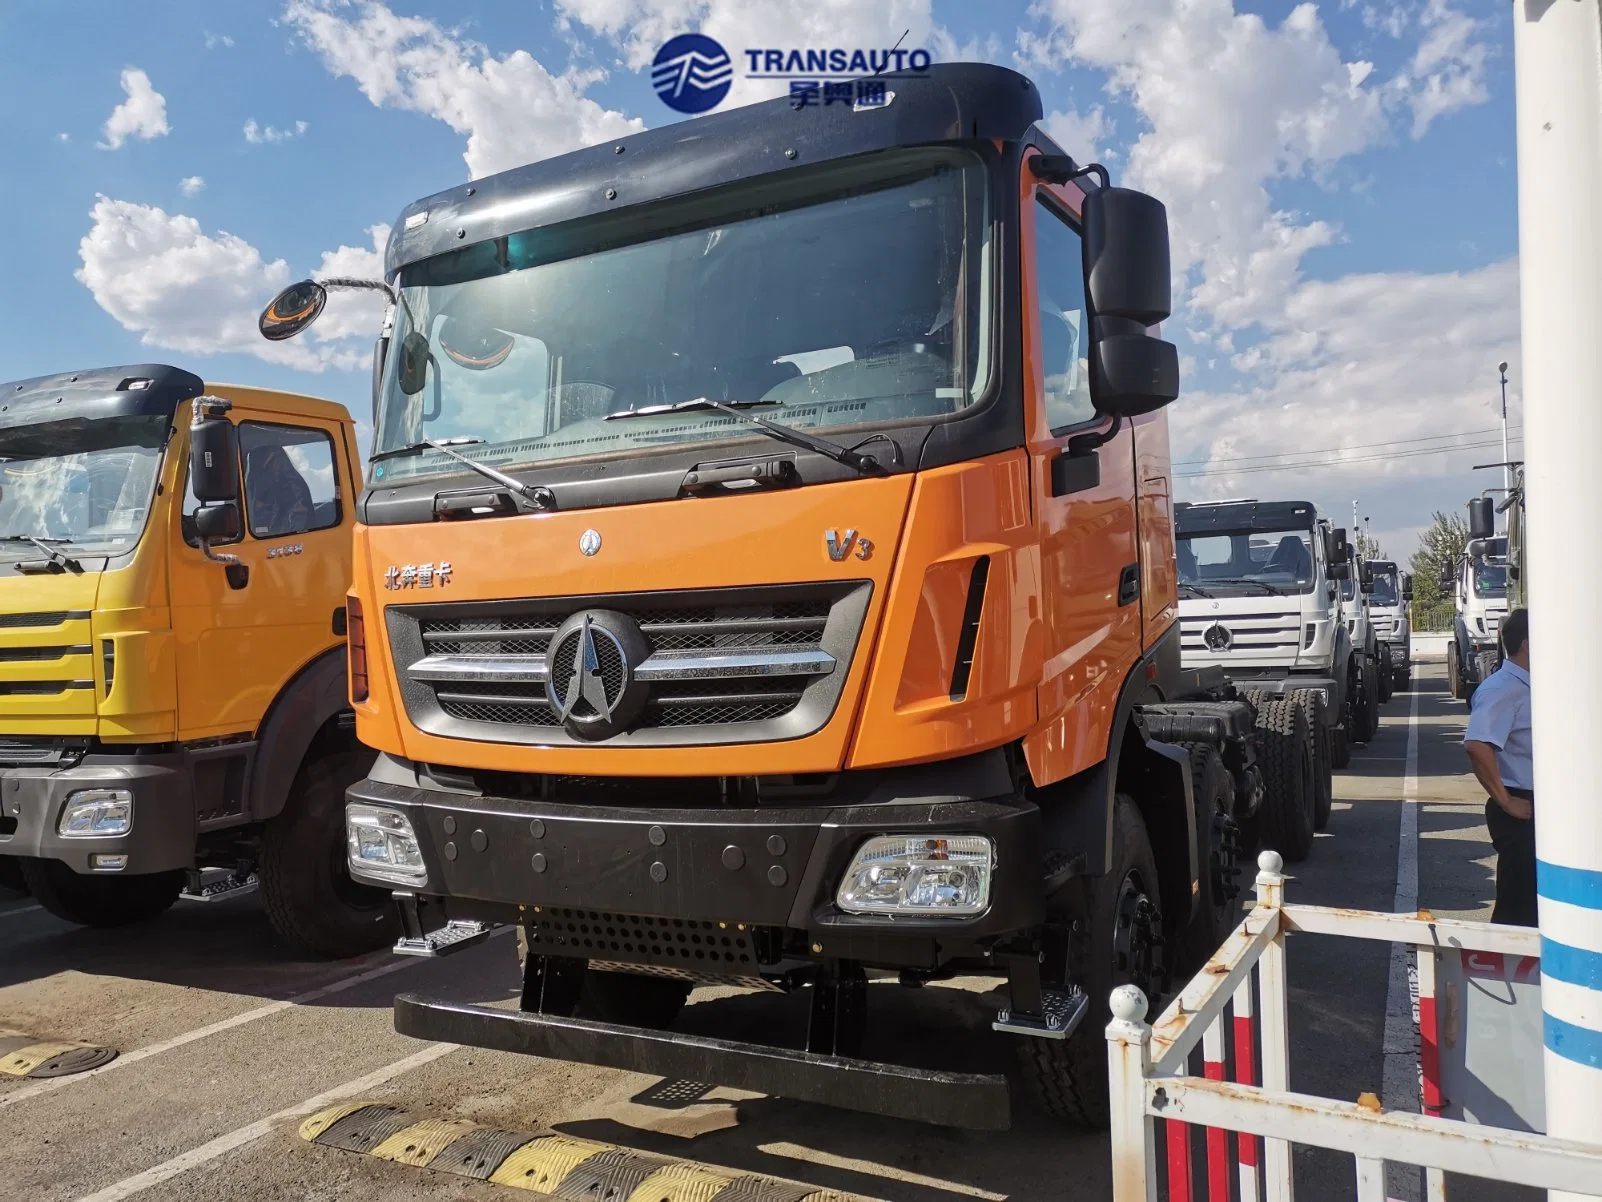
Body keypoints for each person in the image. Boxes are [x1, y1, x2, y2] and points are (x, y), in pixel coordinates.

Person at [1462, 607, 1535, 925]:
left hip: (1537, 806)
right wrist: (1506, 801)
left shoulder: (1531, 685)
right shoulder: (1503, 689)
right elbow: (1477, 744)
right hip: (1521, 807)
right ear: (1528, 644)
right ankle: (1504, 970)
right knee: (1519, 909)